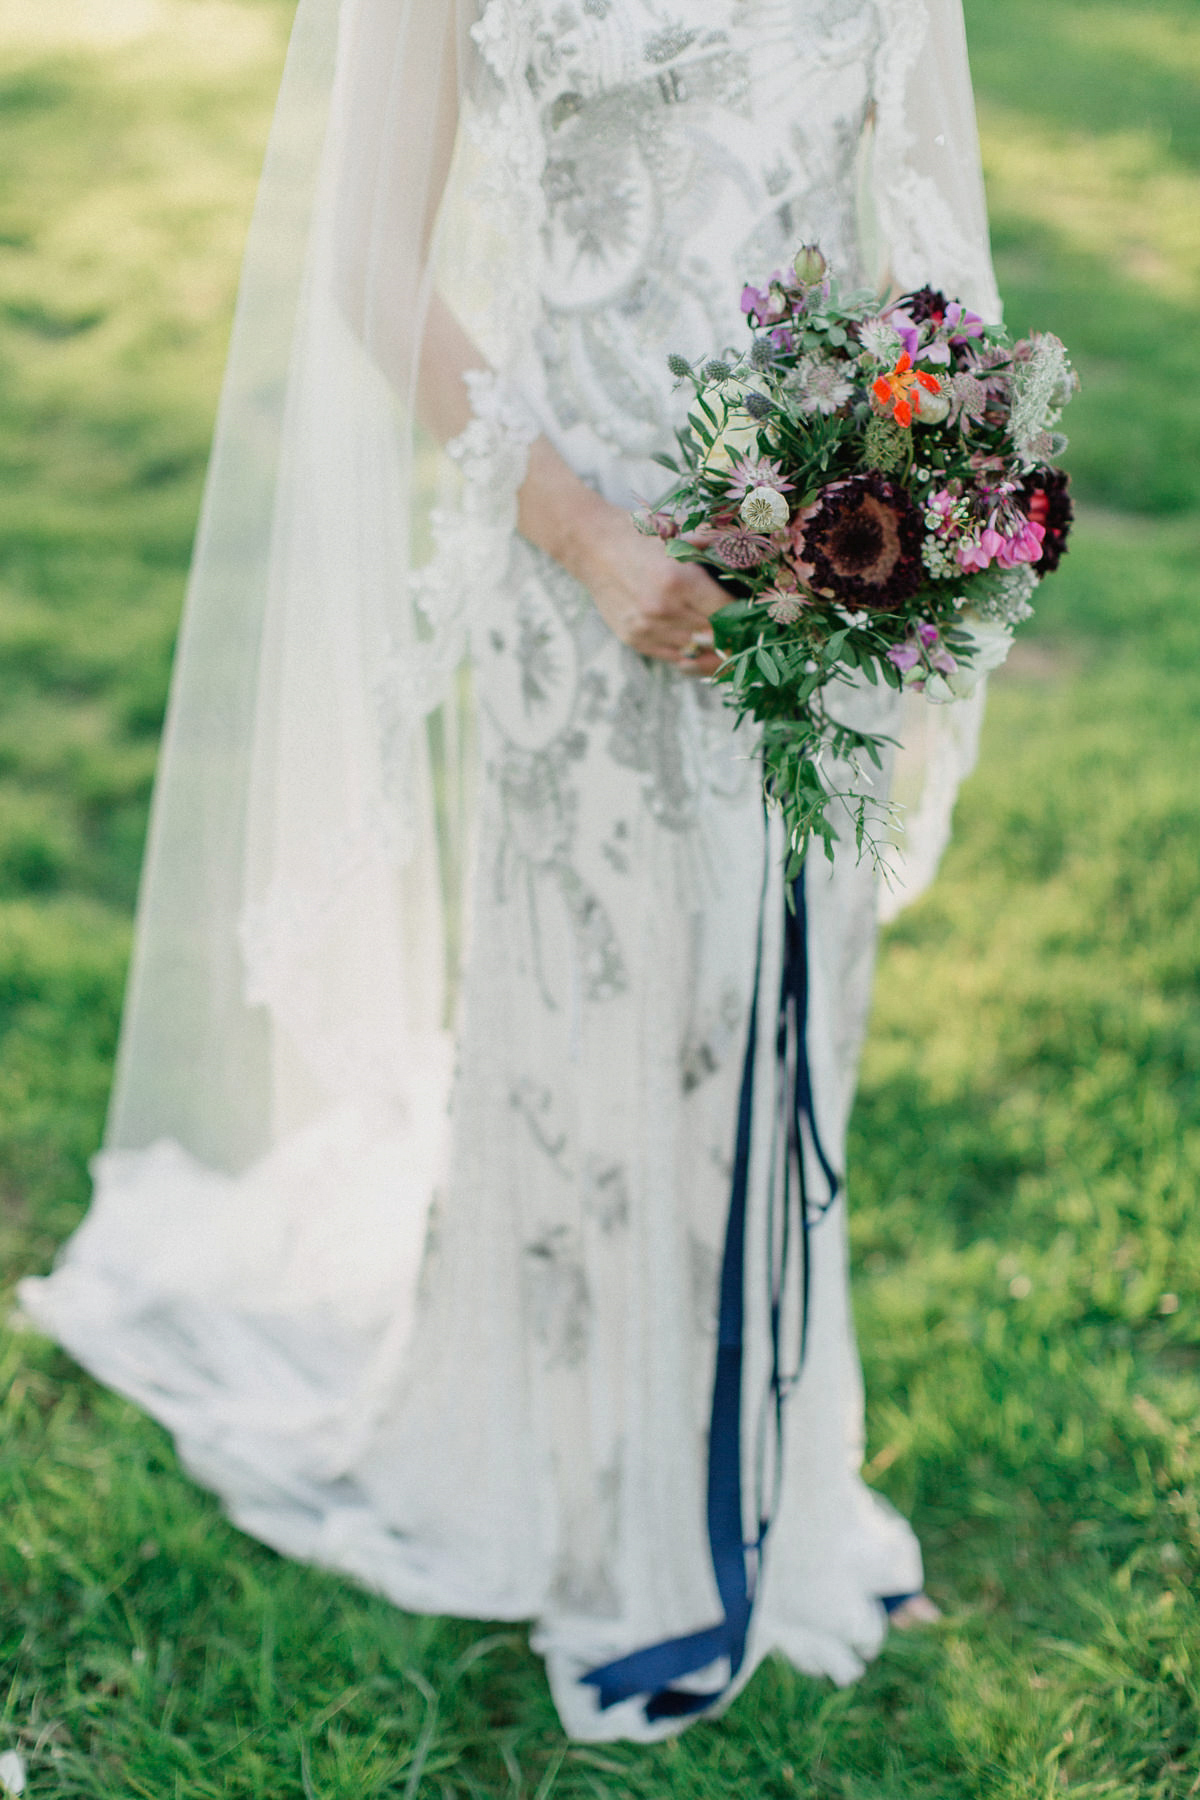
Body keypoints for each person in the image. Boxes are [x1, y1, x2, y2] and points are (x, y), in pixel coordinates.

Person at [21, 0, 999, 1743]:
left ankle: (784, 1482)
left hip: (819, 570)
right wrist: (591, 538)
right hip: (585, 576)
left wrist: (882, 512)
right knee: (605, 1051)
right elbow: (369, 262)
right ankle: (593, 1520)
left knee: (780, 1029)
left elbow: (929, 250)